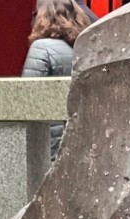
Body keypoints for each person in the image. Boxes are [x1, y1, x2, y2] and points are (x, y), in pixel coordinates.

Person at [22, 0, 93, 157]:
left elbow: (26, 96)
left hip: (50, 142)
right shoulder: (84, 48)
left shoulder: (41, 48)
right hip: (81, 138)